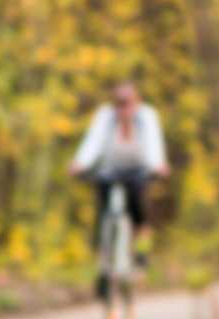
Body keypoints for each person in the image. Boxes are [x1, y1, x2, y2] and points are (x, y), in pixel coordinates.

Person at [66, 81, 169, 266]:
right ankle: (103, 263)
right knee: (103, 212)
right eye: (120, 104)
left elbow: (154, 142)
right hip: (110, 169)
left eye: (127, 103)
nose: (124, 109)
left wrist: (158, 164)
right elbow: (93, 142)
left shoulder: (146, 116)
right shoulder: (106, 117)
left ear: (136, 102)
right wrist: (80, 163)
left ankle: (141, 254)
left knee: (138, 213)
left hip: (138, 168)